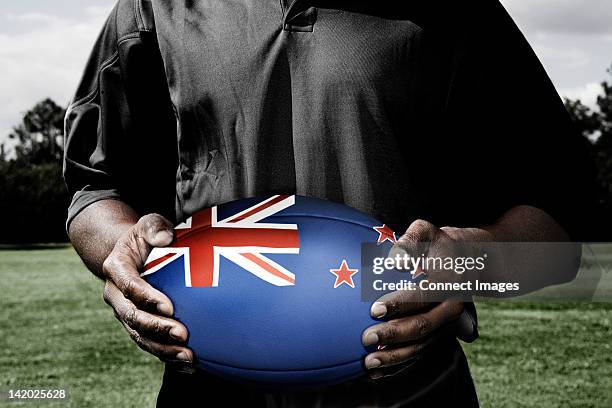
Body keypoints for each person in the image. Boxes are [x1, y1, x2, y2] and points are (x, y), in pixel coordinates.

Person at [63, 0, 599, 406]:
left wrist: (470, 262)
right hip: (207, 392)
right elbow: (95, 186)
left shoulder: (456, 11)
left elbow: (561, 225)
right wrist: (122, 251)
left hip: (412, 394)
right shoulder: (158, 9)